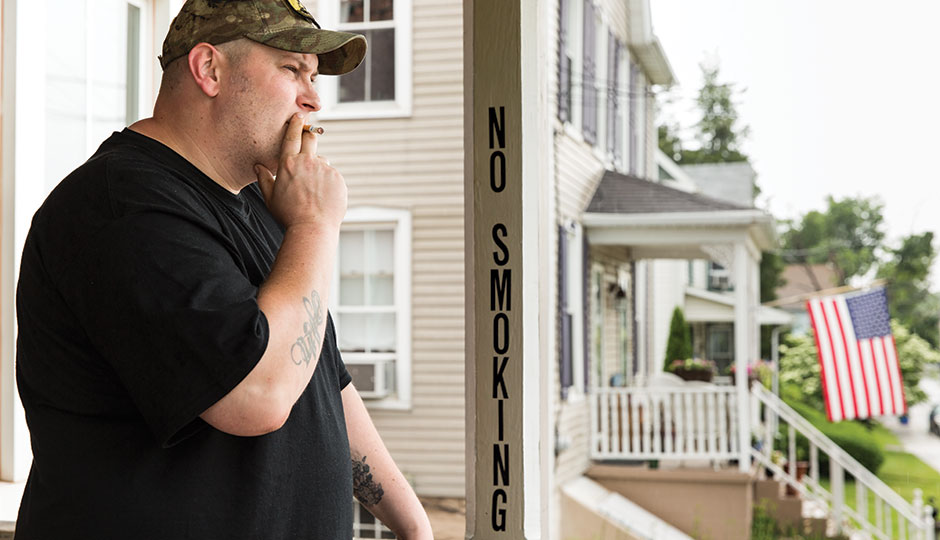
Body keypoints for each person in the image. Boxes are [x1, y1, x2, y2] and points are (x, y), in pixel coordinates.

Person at [14, 0, 432, 538]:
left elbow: (318, 376)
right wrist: (316, 226)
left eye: (313, 77)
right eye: (292, 69)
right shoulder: (121, 204)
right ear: (209, 69)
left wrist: (413, 524)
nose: (314, 100)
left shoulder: (262, 206)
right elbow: (257, 396)